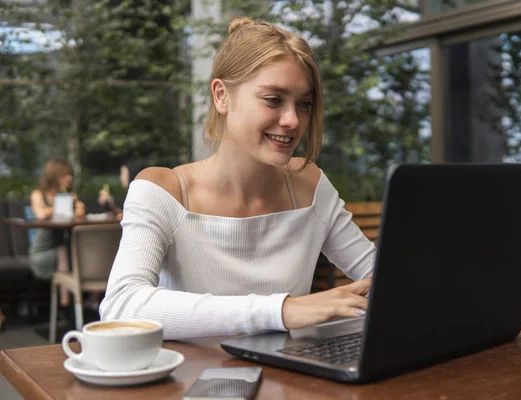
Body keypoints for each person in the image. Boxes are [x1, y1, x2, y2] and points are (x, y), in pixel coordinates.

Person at [100, 17, 376, 340]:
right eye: (273, 99)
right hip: (193, 387)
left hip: (289, 384)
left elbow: (384, 282)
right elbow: (121, 306)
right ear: (221, 96)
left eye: (304, 104)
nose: (292, 120)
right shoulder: (163, 191)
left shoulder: (310, 186)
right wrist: (281, 311)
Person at [30, 159, 85, 306]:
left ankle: (89, 301)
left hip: (65, 250)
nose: (70, 178)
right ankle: (65, 302)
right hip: (43, 252)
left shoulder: (68, 194)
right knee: (63, 251)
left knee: (81, 251)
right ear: (55, 176)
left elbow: (80, 213)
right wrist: (63, 203)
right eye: (65, 175)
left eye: (70, 175)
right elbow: (41, 214)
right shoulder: (38, 194)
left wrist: (76, 205)